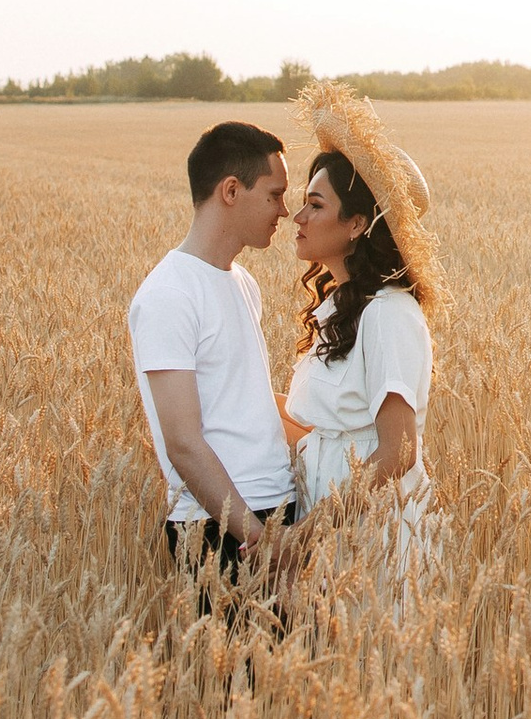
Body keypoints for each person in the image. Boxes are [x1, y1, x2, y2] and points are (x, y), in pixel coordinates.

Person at [128, 119, 298, 588]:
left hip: (275, 510)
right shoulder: (169, 294)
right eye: (274, 194)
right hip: (218, 528)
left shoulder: (243, 282)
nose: (285, 211)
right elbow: (182, 440)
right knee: (237, 665)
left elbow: (244, 400)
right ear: (230, 190)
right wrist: (256, 534)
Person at [285, 80, 441, 579]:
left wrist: (304, 536)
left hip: (375, 538)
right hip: (332, 527)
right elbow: (317, 425)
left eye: (315, 204)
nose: (298, 215)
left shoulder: (389, 314)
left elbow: (399, 451)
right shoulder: (339, 307)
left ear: (356, 225)